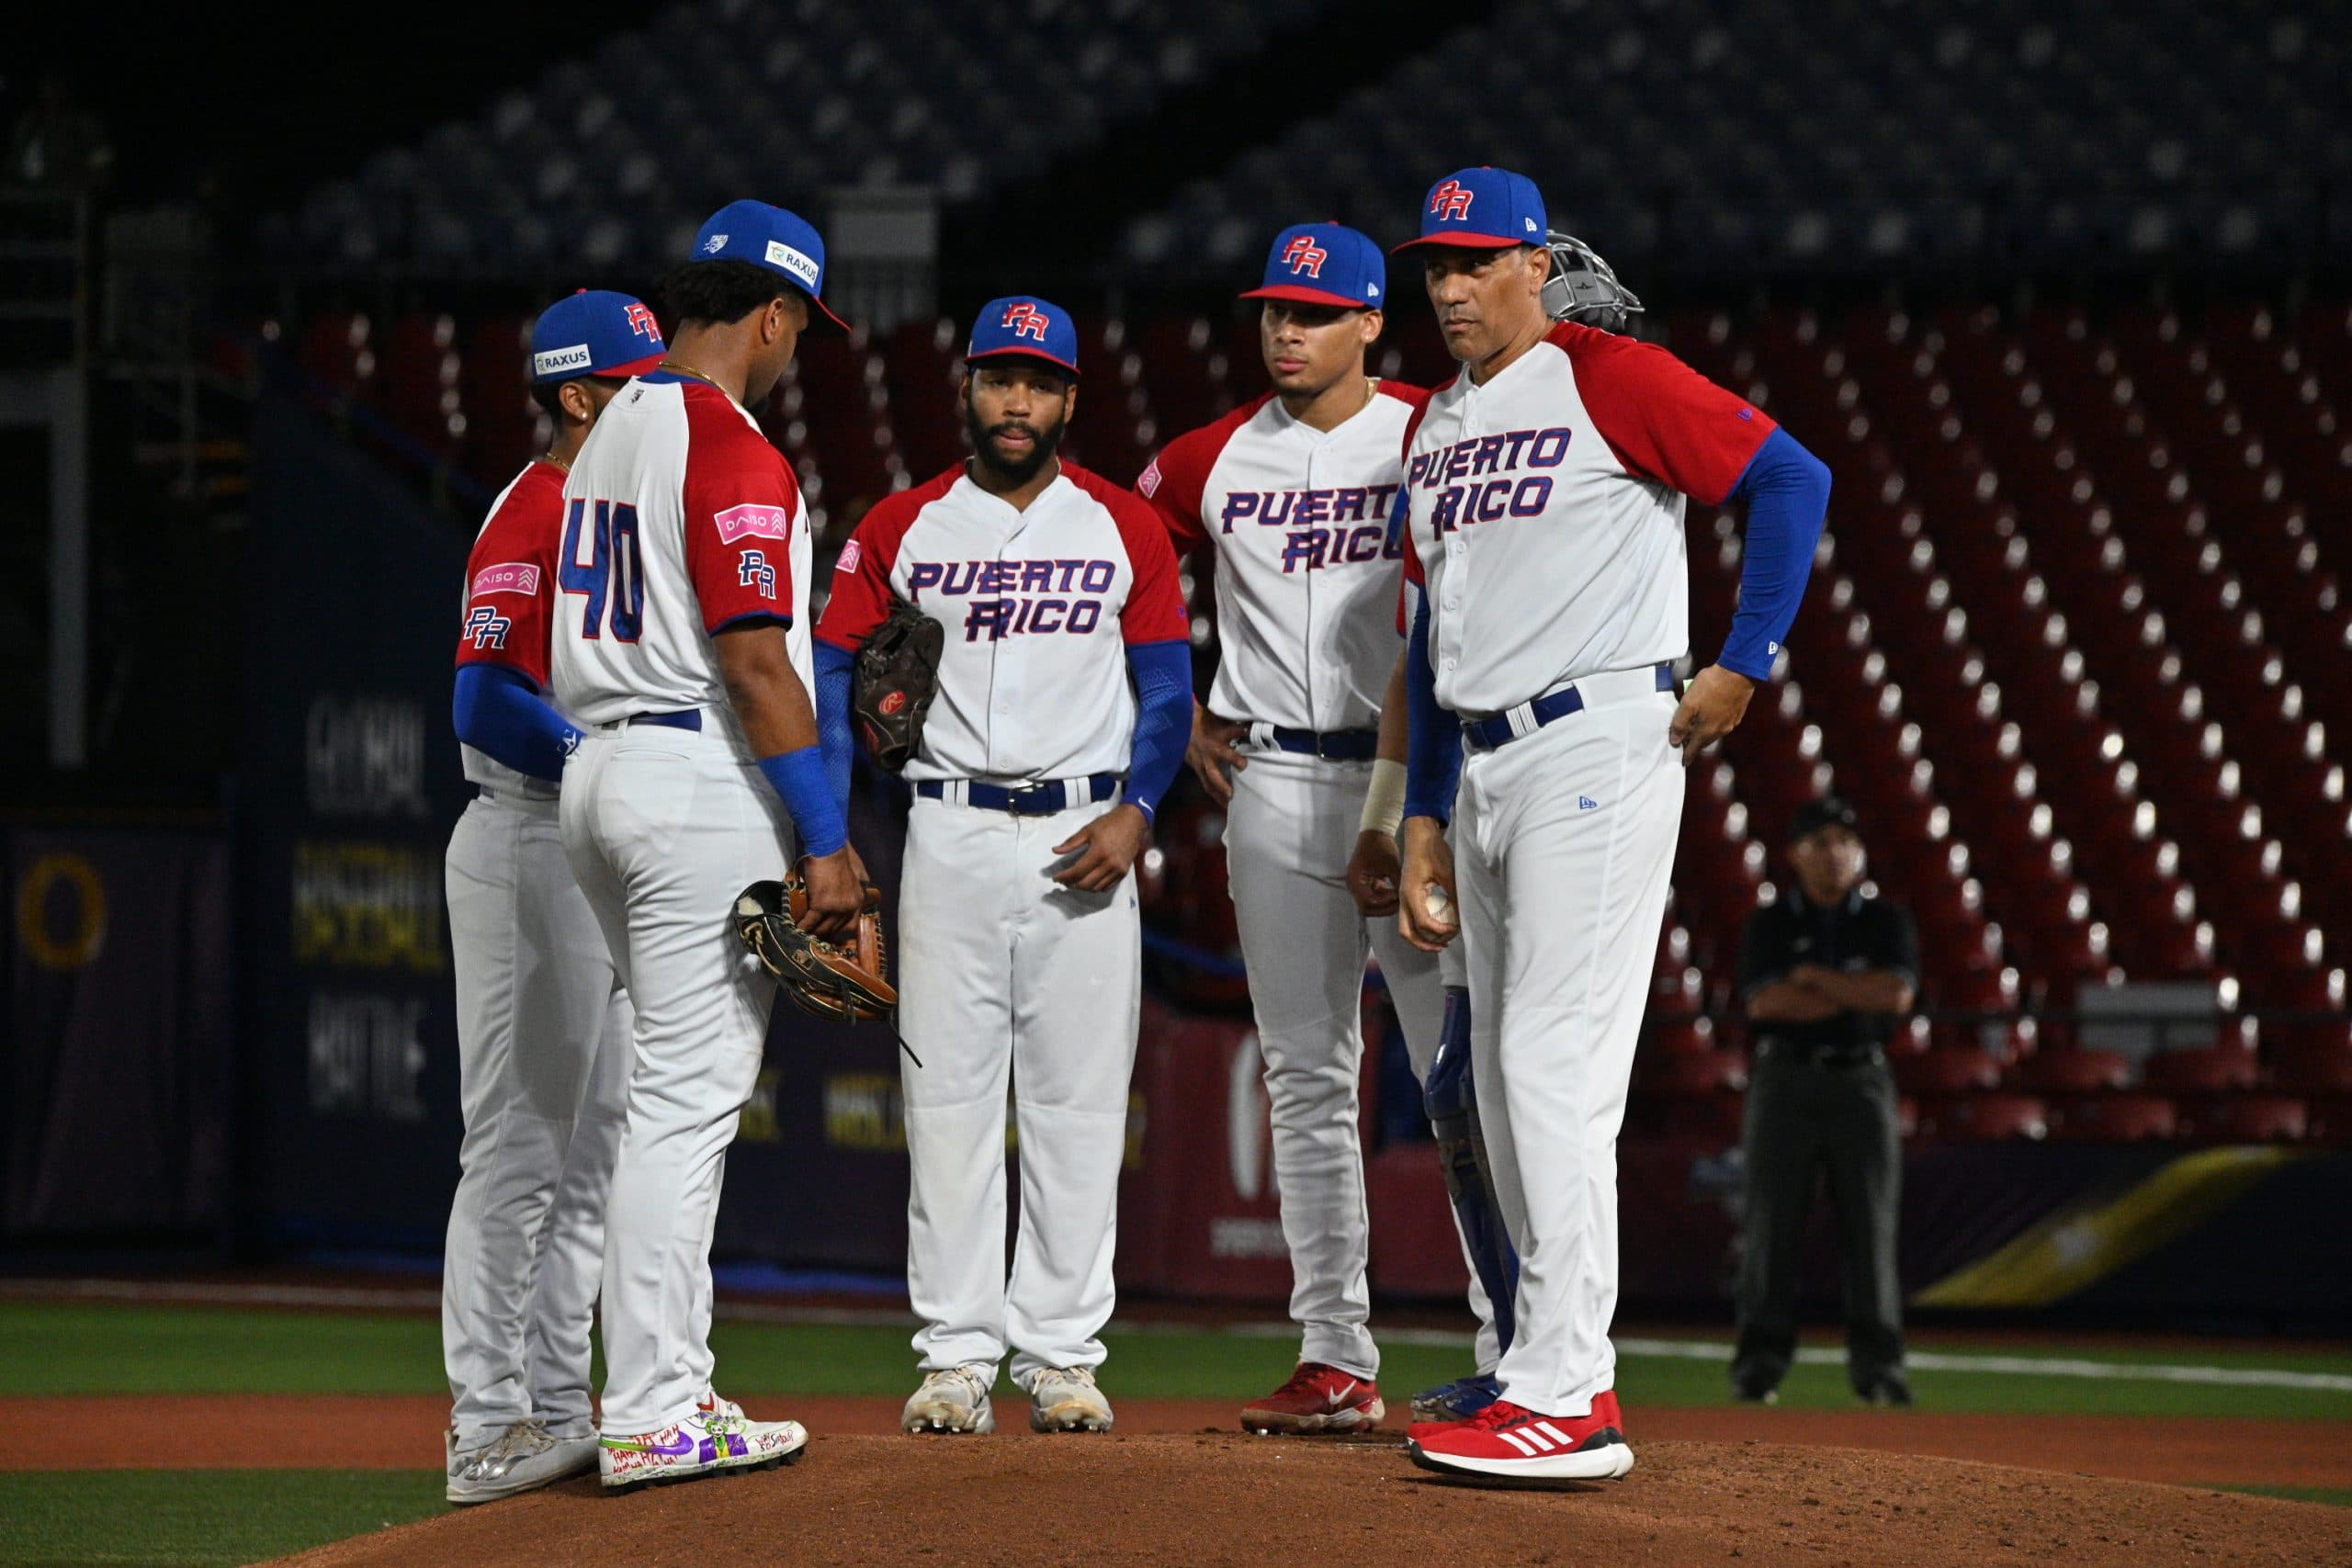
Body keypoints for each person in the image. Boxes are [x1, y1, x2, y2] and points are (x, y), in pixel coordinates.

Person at [1390, 166, 1832, 1484]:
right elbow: (1431, 640)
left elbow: (1790, 478)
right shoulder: (1438, 427)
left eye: (1477, 262)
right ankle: (1539, 1360)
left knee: (1550, 1062)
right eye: (1436, 267)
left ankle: (1574, 1393)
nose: (1453, 288)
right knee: (1502, 1078)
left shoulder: (1608, 373)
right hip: (1482, 761)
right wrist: (1419, 813)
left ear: (1536, 263)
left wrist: (1746, 655)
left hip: (1597, 739)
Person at [1137, 220, 1500, 1434]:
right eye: (1272, 311)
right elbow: (1130, 559)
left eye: (1312, 310)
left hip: (1415, 779)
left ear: (1367, 325)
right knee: (1304, 1072)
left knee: (1458, 1066)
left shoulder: (1427, 428)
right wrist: (1173, 701)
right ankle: (1335, 1350)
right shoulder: (1206, 455)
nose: (1285, 329)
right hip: (1274, 782)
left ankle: (1512, 1342)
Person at [814, 296, 1192, 1438]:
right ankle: (955, 1355)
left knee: (1078, 1108)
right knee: (949, 1104)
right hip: (952, 834)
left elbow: (1168, 691)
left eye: (1038, 382)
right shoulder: (900, 527)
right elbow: (833, 683)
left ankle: (1064, 1355)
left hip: (1088, 835)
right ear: (966, 388)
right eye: (997, 379)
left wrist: (1141, 810)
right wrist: (826, 833)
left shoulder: (1124, 526)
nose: (1015, 401)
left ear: (1072, 398)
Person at [550, 198, 862, 1490]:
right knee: (688, 1098)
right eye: (801, 328)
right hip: (688, 772)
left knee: (658, 1097)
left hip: (595, 769)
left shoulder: (610, 425)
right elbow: (751, 657)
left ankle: (666, 1378)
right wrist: (829, 838)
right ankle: (656, 1402)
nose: (798, 350)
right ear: (773, 314)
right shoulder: (727, 441)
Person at [443, 288, 664, 1504]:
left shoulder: (615, 508)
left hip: (602, 848)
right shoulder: (537, 505)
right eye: (637, 378)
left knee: (595, 1154)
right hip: (530, 837)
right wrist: (600, 765)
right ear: (582, 394)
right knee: (519, 1147)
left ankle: (552, 1401)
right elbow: (480, 698)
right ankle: (485, 1421)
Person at [1733, 795, 1918, 1408]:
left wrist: (1813, 980)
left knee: (1872, 1226)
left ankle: (1880, 1368)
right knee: (1771, 1224)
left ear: (1859, 851)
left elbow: (1894, 996)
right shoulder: (1770, 922)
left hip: (1862, 1082)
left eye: (1844, 840)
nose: (1833, 852)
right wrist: (1852, 994)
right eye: (1819, 841)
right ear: (1794, 853)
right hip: (1784, 1080)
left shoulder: (1887, 919)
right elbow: (1766, 1005)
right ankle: (1759, 1365)